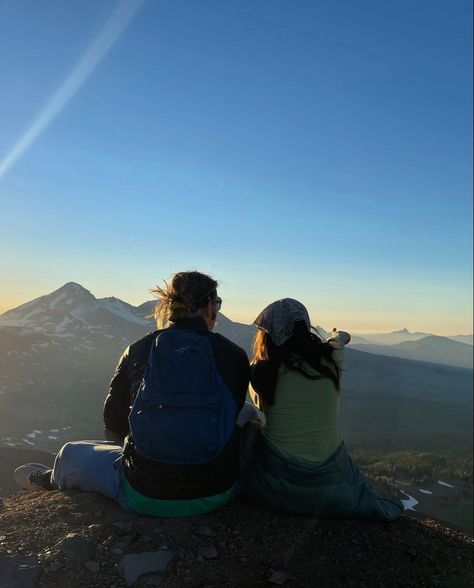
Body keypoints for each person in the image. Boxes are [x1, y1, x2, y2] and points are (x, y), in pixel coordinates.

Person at [14, 271, 250, 517]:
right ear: (209, 307)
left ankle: (50, 480)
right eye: (218, 305)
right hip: (218, 492)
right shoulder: (233, 354)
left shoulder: (139, 349)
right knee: (247, 413)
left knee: (70, 452)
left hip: (144, 493)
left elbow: (113, 421)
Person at [240, 298, 402, 522]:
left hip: (279, 481)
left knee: (247, 418)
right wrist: (338, 335)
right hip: (331, 477)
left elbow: (260, 407)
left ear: (267, 333)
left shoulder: (260, 372)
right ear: (305, 327)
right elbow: (341, 338)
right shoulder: (331, 358)